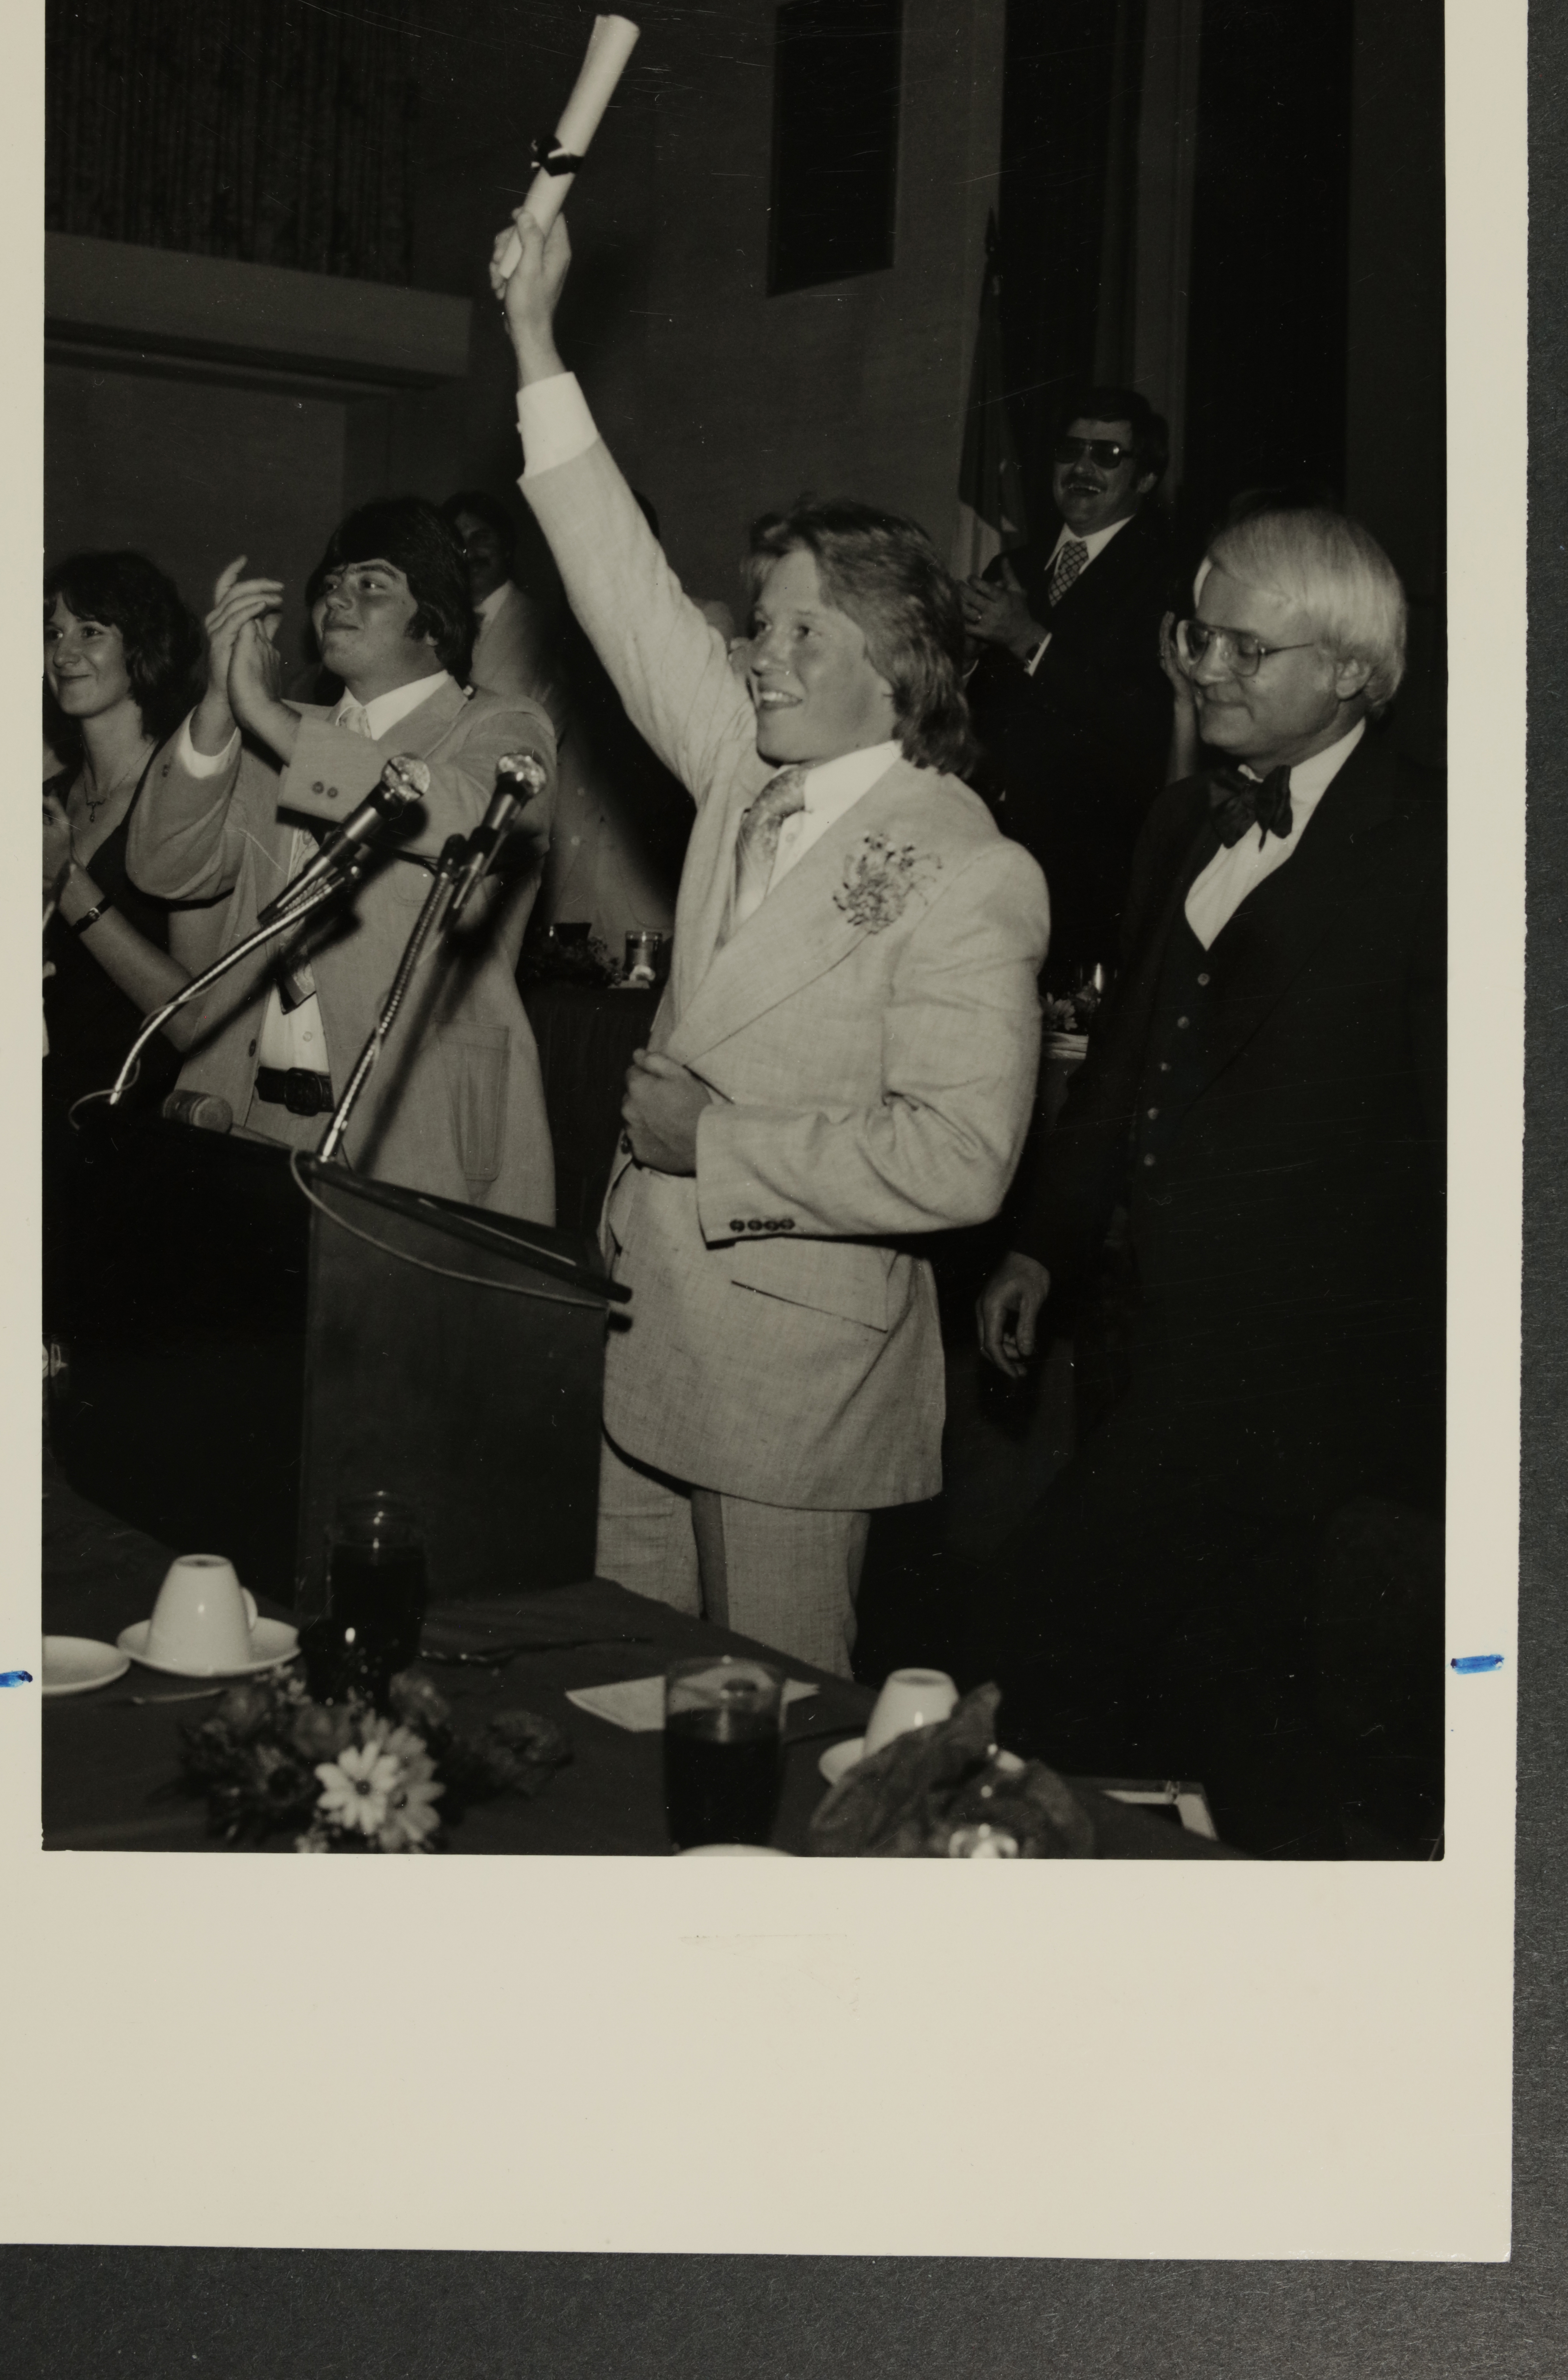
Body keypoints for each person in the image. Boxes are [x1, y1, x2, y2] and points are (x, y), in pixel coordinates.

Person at [491, 209, 1048, 1676]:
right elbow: (612, 579)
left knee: (772, 1731)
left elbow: (957, 1158)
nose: (760, 657)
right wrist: (536, 343)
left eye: (803, 634)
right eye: (758, 626)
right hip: (648, 1327)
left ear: (898, 662)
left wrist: (713, 1143)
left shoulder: (965, 867)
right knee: (619, 1697)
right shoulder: (743, 766)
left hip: (793, 1375)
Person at [975, 505, 1444, 1854]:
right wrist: (1046, 1247)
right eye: (1198, 636)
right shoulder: (1183, 818)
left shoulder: (1431, 848)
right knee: (1186, 1695)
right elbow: (1122, 1065)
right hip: (1149, 1345)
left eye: (1249, 645)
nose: (1207, 668)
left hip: (1315, 1400)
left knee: (1071, 1644)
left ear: (1353, 671)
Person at [125, 496, 558, 1220]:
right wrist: (218, 704)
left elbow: (459, 814)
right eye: (331, 584)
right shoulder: (289, 736)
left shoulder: (501, 725)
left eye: (372, 583)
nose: (337, 599)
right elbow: (165, 868)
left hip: (413, 1127)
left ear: (436, 616)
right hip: (250, 1116)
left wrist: (268, 716)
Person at [962, 388, 1179, 978]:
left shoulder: (1170, 575)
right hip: (983, 848)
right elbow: (978, 713)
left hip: (1090, 870)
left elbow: (1145, 722)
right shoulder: (1014, 566)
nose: (1082, 468)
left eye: (1107, 454)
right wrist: (961, 657)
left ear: (1144, 478)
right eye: (1070, 450)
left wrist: (1028, 638)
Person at [41, 550, 204, 1120]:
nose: (63, 653)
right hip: (45, 1106)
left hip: (144, 1123)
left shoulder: (186, 796)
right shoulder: (50, 797)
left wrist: (65, 882)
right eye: (53, 631)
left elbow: (195, 1021)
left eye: (90, 631)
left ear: (142, 643)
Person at [438, 486, 570, 737]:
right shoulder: (437, 627)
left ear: (506, 547)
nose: (469, 553)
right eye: (459, 543)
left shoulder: (541, 626)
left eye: (481, 537)